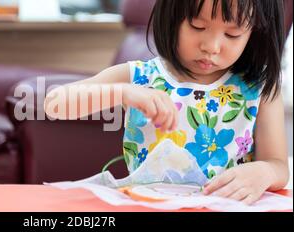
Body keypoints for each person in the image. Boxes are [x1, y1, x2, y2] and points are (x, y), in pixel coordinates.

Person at [44, 0, 289, 205]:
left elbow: (279, 165)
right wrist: (121, 92)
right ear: (173, 17)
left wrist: (265, 172)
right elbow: (54, 104)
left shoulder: (260, 88)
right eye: (197, 26)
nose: (211, 47)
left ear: (254, 32)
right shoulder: (140, 77)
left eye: (232, 34)